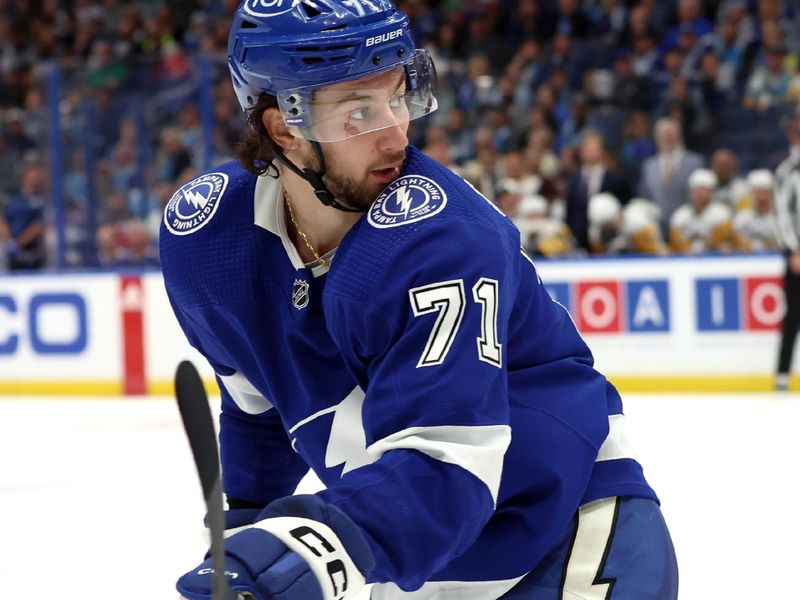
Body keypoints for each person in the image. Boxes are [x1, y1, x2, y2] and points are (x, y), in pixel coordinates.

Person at [160, 2, 678, 599]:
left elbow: (448, 466)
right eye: (358, 112)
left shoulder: (440, 237)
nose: (397, 132)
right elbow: (260, 407)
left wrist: (301, 548)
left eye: (398, 95)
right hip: (407, 559)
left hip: (565, 542)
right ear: (284, 129)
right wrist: (248, 527)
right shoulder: (210, 240)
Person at [775, 164, 800, 391]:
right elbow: (783, 214)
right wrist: (793, 250)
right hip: (798, 256)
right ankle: (782, 374)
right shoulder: (792, 174)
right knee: (792, 315)